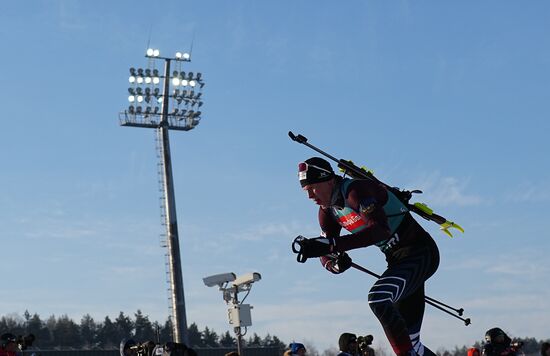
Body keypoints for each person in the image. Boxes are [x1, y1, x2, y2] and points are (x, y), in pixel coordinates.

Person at [294, 157, 440, 356]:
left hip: (420, 252)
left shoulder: (355, 192)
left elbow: (380, 230)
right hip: (397, 262)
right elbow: (325, 252)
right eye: (305, 191)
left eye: (313, 188)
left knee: (378, 298)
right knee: (413, 343)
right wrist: (335, 264)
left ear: (328, 180)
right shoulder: (327, 213)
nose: (310, 195)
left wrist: (333, 245)